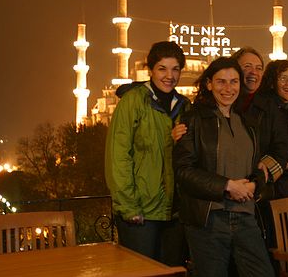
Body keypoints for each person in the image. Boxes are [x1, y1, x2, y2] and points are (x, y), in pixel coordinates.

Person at [173, 57, 274, 277]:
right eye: (221, 82)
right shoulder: (193, 120)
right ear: (209, 84)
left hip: (246, 216)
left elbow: (256, 166)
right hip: (209, 219)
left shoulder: (248, 122)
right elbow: (183, 171)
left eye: (234, 81)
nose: (228, 89)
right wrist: (227, 186)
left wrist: (255, 184)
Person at [105, 41, 191, 265]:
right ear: (151, 70)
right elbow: (119, 157)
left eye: (175, 69)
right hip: (141, 212)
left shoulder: (184, 105)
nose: (169, 76)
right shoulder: (133, 101)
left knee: (170, 271)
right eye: (162, 68)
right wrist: (129, 206)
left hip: (173, 211)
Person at [231, 47, 288, 183]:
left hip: (256, 186)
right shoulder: (223, 104)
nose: (253, 72)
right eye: (247, 67)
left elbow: (281, 150)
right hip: (224, 184)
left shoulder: (269, 107)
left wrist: (261, 176)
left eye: (259, 68)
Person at [257, 59, 288, 197]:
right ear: (272, 81)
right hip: (266, 184)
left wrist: (287, 166)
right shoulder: (261, 108)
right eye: (283, 78)